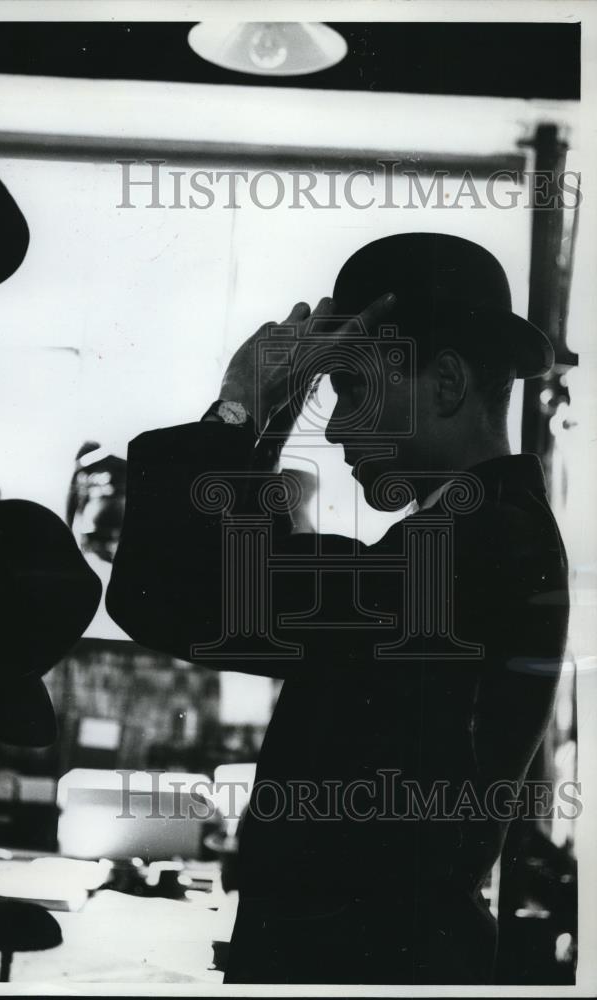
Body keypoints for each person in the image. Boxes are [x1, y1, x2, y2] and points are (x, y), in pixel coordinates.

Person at [106, 233, 570, 985]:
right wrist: (272, 417)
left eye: (351, 391)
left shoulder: (467, 550)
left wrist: (241, 410)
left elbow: (176, 595)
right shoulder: (478, 534)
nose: (342, 426)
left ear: (446, 382)